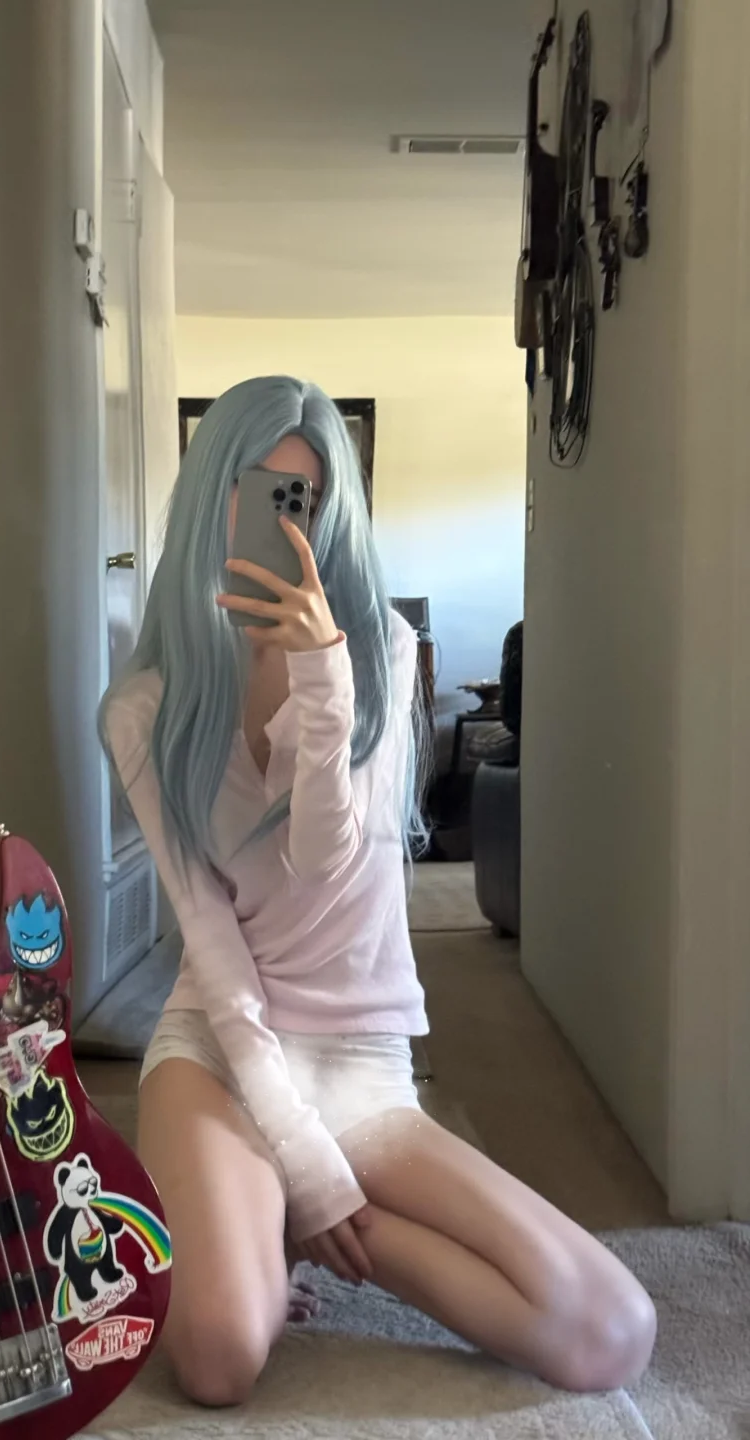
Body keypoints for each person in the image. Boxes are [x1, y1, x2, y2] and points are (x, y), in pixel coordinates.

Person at [98, 375, 656, 1407]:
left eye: (304, 497)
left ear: (331, 512)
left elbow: (324, 862)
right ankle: (272, 1207)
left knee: (609, 1333)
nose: (280, 517)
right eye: (257, 486)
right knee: (219, 1356)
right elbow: (212, 950)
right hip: (220, 1047)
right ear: (213, 489)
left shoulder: (381, 653)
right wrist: (301, 1155)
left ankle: (308, 1229)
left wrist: (322, 677)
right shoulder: (141, 708)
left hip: (357, 1059)